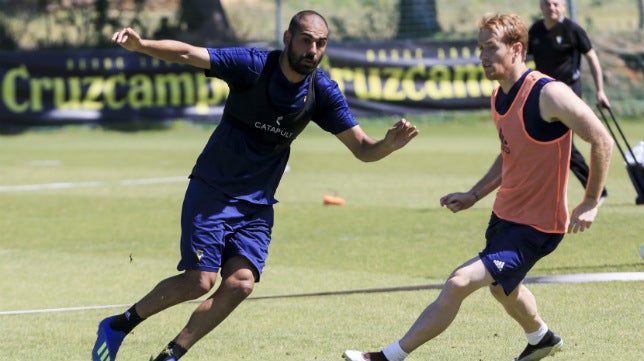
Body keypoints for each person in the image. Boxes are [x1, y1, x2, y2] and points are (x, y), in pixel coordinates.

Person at [92, 10, 419, 361]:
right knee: (199, 281)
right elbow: (189, 53)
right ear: (287, 39)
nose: (313, 49)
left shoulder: (321, 90)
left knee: (241, 283)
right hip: (213, 190)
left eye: (320, 43)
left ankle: (171, 355)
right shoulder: (253, 65)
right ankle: (119, 325)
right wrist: (142, 45)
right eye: (306, 40)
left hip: (257, 206)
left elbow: (362, 149)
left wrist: (388, 145)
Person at [343, 12, 613, 361]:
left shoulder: (549, 94)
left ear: (516, 50)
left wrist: (591, 200)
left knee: (460, 281)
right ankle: (541, 338)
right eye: (479, 48)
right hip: (506, 216)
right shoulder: (499, 97)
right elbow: (509, 152)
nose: (482, 56)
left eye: (490, 48)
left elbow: (601, 139)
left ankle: (386, 357)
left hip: (538, 225)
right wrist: (474, 195)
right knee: (503, 290)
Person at [528, 0, 610, 201]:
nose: (552, 8)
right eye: (547, 4)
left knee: (565, 146)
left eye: (556, 4)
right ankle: (544, 194)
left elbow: (592, 58)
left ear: (563, 6)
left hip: (569, 95)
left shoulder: (572, 30)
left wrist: (600, 91)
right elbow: (522, 59)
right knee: (545, 145)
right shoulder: (536, 30)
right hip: (544, 95)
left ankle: (597, 192)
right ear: (541, 6)